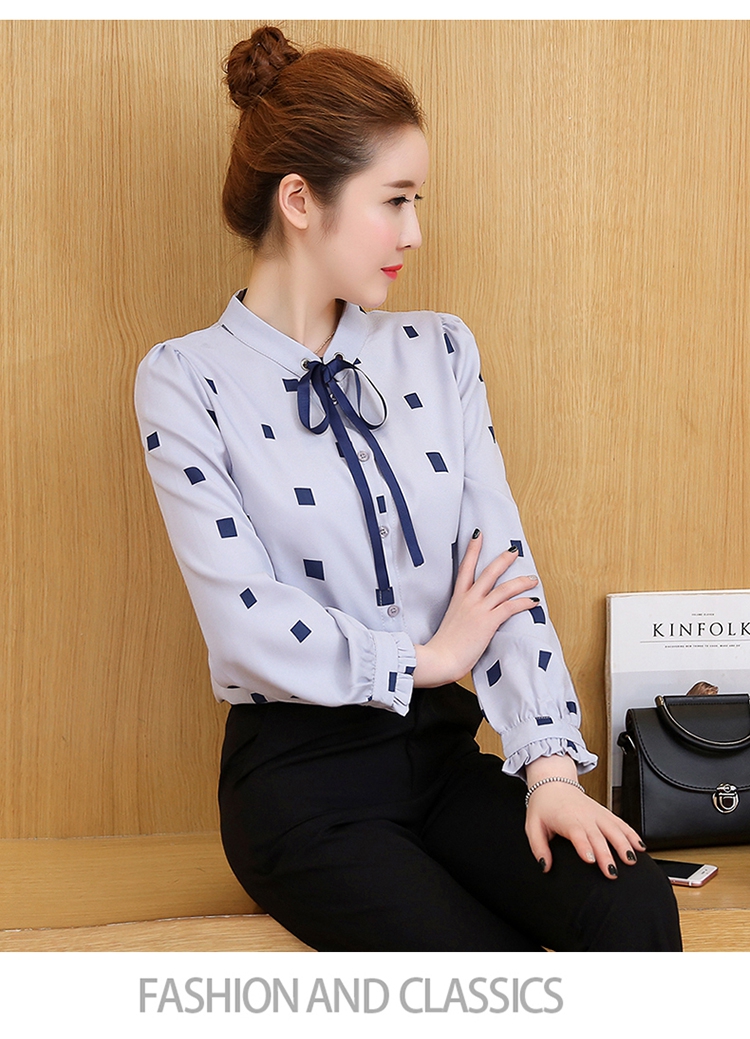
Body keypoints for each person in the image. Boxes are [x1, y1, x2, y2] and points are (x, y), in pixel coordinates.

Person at [134, 25, 681, 952]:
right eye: (393, 200)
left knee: (628, 901)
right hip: (300, 788)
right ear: (300, 200)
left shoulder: (439, 351)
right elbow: (243, 622)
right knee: (481, 973)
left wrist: (549, 768)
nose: (414, 232)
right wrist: (425, 657)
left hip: (441, 758)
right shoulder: (186, 380)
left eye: (415, 200)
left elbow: (499, 561)